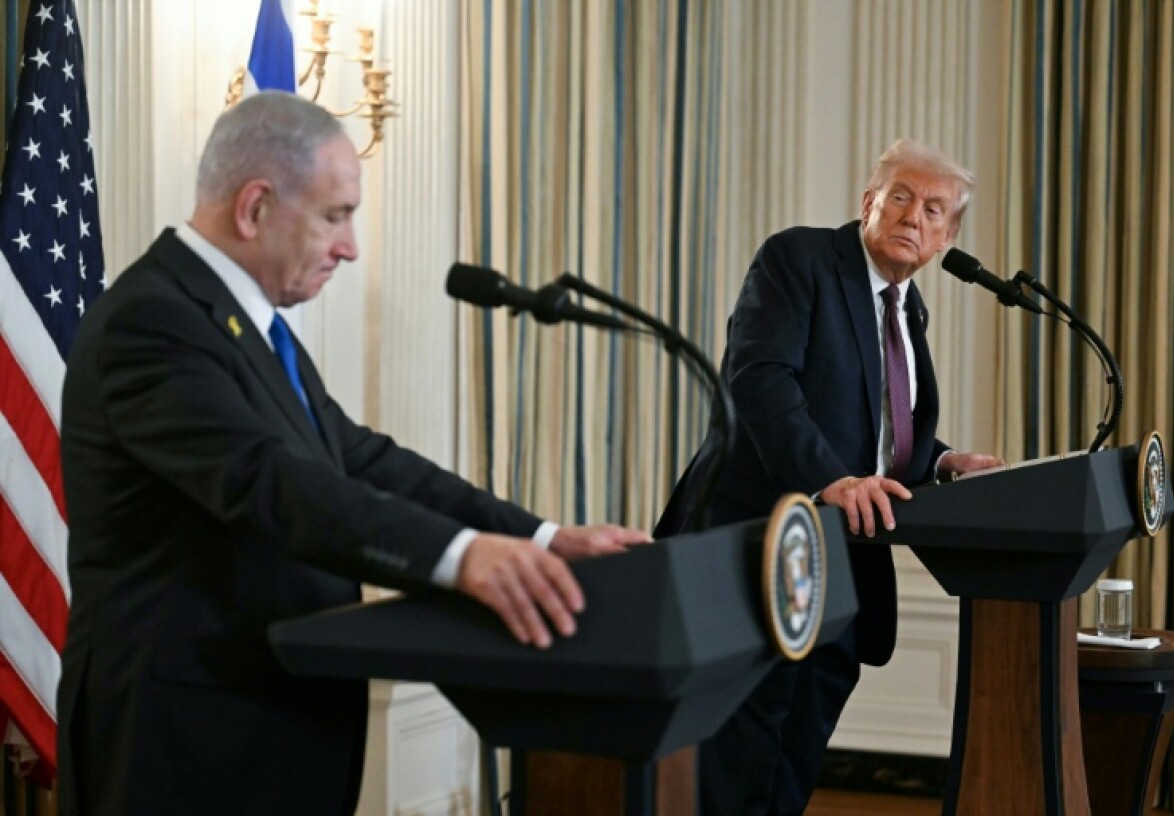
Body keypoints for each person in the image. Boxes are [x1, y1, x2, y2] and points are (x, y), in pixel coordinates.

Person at [56, 91, 650, 816]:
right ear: (254, 208)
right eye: (336, 215)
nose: (351, 246)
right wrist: (463, 559)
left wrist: (538, 538)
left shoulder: (248, 325)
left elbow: (360, 460)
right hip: (187, 739)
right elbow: (271, 483)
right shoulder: (151, 322)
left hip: (273, 717)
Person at [654, 139, 1003, 815]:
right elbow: (761, 380)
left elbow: (873, 426)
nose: (912, 216)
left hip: (841, 558)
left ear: (947, 237)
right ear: (868, 202)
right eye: (900, 196)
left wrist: (938, 459)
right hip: (757, 539)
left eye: (933, 209)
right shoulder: (801, 260)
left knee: (801, 738)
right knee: (743, 741)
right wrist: (827, 481)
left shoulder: (908, 309)